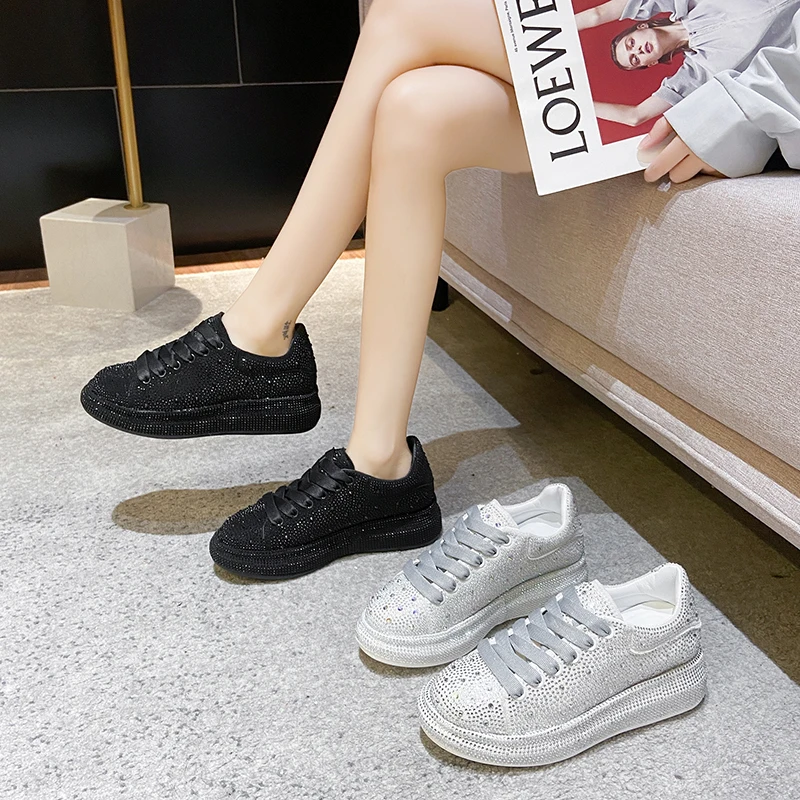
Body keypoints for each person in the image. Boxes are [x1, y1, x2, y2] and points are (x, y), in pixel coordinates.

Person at [81, 0, 798, 582]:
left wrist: (741, 110)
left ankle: (257, 336)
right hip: (649, 32)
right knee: (415, 111)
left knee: (402, 14)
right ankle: (380, 467)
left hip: (725, 83)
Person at [576, 0, 800, 128]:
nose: (637, 51)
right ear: (650, 63)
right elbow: (635, 116)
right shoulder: (697, 72)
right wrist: (578, 105)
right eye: (635, 59)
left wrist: (560, 29)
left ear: (641, 26)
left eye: (631, 43)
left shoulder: (686, 3)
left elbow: (597, 14)